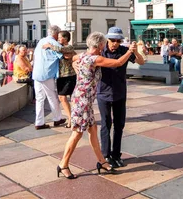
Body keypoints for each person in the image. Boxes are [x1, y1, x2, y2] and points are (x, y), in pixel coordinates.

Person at [57, 32, 136, 179]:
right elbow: (118, 63)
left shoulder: (82, 56)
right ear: (99, 45)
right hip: (82, 101)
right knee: (77, 134)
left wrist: (75, 63)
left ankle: (101, 161)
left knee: (93, 130)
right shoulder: (95, 59)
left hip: (84, 99)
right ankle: (63, 164)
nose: (103, 47)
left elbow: (73, 58)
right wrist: (130, 51)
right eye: (103, 44)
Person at [98, 27, 145, 168]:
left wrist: (135, 50)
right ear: (107, 39)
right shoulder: (101, 51)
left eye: (118, 41)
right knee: (106, 124)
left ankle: (116, 154)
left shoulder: (124, 50)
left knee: (119, 125)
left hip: (119, 93)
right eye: (112, 40)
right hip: (103, 93)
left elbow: (141, 62)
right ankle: (105, 155)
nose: (115, 43)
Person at [32, 25, 66, 130]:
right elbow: (63, 53)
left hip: (37, 73)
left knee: (39, 99)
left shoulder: (41, 41)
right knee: (52, 97)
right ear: (56, 34)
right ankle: (57, 118)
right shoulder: (54, 43)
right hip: (47, 73)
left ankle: (39, 122)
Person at [43, 31, 77, 128]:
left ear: (65, 39)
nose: (58, 39)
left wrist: (49, 45)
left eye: (59, 37)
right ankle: (70, 117)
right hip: (61, 76)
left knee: (72, 98)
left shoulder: (69, 47)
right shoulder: (59, 47)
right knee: (62, 97)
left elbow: (61, 49)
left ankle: (74, 118)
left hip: (70, 76)